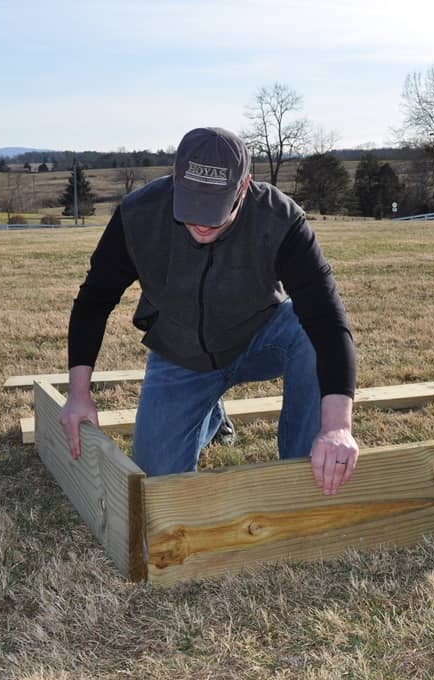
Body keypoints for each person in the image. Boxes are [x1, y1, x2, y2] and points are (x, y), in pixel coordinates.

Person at [59, 127, 358, 495]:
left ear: (244, 186)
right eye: (192, 207)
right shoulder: (139, 216)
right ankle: (210, 416)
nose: (201, 223)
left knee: (307, 332)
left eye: (217, 210)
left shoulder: (279, 219)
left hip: (260, 337)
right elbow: (94, 300)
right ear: (175, 177)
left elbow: (328, 321)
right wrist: (78, 395)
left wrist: (336, 428)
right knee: (159, 484)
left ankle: (303, 472)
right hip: (181, 354)